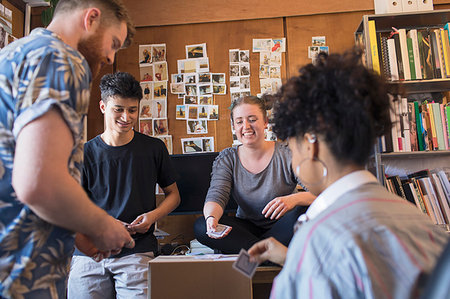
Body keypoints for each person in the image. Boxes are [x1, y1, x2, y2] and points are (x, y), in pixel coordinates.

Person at [248, 50, 449, 298]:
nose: (293, 159)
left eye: (291, 147)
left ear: (311, 144)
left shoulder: (319, 239)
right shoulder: (419, 221)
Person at [0, 1, 136, 298]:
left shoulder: (11, 55)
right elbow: (40, 183)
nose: (111, 57)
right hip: (24, 271)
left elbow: (13, 169)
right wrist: (102, 226)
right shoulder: (62, 59)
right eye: (113, 43)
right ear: (91, 18)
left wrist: (76, 231)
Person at [68, 72, 180, 298]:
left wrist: (152, 216)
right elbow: (73, 209)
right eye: (118, 109)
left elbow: (174, 196)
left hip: (136, 250)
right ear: (102, 106)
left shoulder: (154, 148)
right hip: (90, 253)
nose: (126, 117)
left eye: (132, 110)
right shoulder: (83, 153)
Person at [194, 96, 315, 254]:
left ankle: (256, 254)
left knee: (306, 211)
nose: (246, 126)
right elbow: (216, 195)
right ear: (233, 126)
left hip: (283, 227)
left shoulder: (288, 153)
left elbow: (322, 193)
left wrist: (294, 199)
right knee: (201, 226)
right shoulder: (227, 158)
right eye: (239, 121)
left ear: (265, 122)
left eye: (252, 119)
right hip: (246, 231)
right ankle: (270, 254)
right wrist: (211, 219)